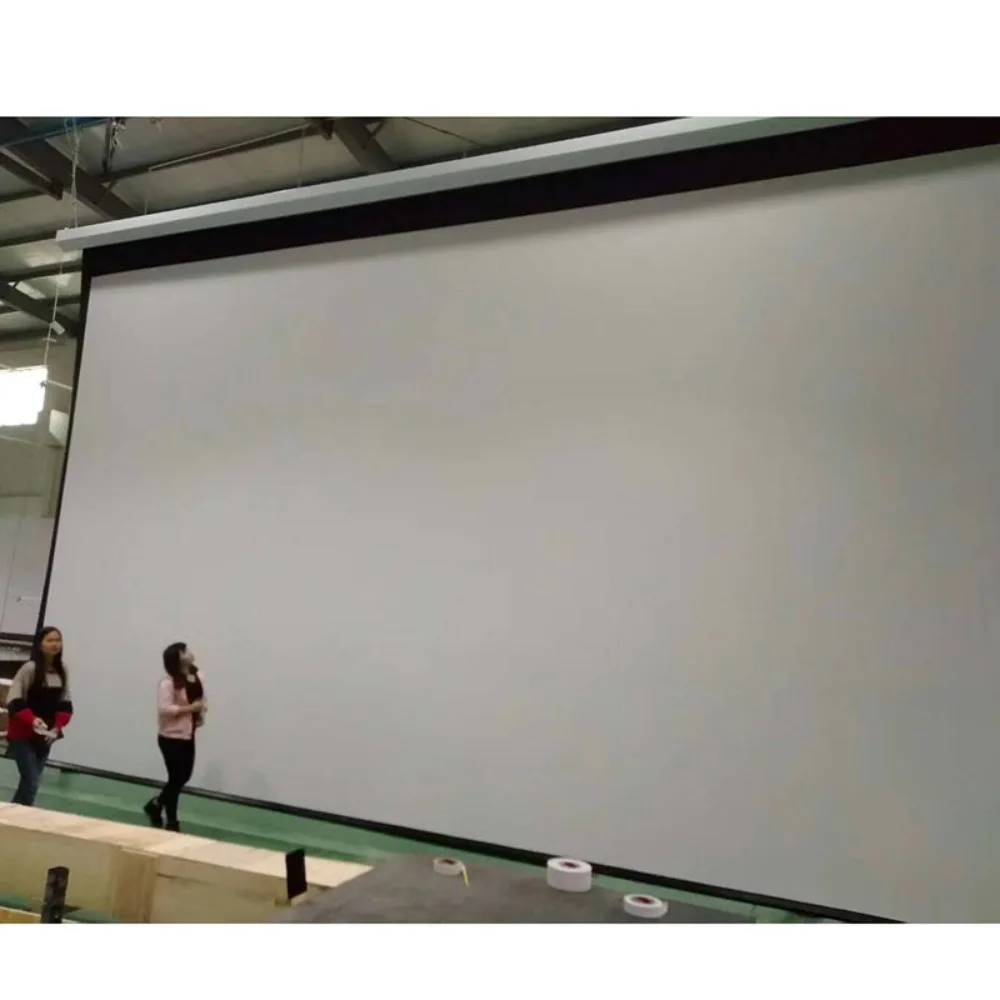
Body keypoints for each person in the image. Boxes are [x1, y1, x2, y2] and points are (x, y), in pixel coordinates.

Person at [5, 626, 73, 806]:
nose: (55, 644)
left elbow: (65, 703)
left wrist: (57, 727)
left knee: (30, 783)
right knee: (31, 780)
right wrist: (32, 719)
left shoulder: (62, 670)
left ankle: (14, 814)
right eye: (50, 640)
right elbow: (14, 699)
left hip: (45, 736)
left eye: (58, 640)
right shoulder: (30, 668)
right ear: (40, 644)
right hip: (22, 734)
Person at [144, 642, 205, 832]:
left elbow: (199, 697)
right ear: (177, 659)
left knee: (183, 777)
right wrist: (190, 709)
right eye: (184, 651)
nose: (189, 652)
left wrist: (200, 711)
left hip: (188, 734)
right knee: (175, 778)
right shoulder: (168, 683)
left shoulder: (196, 676)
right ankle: (172, 821)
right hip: (170, 737)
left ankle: (156, 805)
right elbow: (165, 709)